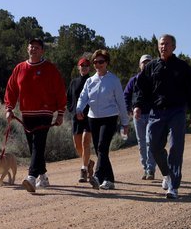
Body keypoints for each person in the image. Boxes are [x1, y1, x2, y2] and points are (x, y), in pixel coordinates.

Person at [134, 34, 191, 199]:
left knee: (176, 147)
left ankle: (173, 187)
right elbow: (140, 88)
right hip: (156, 112)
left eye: (167, 44)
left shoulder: (182, 67)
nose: (164, 47)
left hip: (177, 111)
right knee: (153, 146)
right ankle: (167, 173)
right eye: (161, 44)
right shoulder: (151, 67)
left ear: (174, 47)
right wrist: (137, 105)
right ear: (158, 47)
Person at [5, 38, 67, 193]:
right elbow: (11, 89)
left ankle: (31, 177)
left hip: (45, 113)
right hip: (27, 113)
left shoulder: (49, 68)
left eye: (37, 47)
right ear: (27, 49)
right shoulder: (20, 68)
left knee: (38, 144)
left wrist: (60, 113)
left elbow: (60, 90)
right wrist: (9, 108)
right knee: (34, 148)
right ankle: (43, 176)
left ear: (42, 51)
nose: (34, 49)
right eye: (31, 47)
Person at [76, 49, 129, 190]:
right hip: (93, 118)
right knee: (101, 151)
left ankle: (98, 177)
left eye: (101, 62)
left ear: (107, 63)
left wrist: (125, 122)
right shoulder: (90, 81)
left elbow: (121, 103)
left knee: (102, 147)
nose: (98, 64)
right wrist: (79, 108)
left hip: (110, 118)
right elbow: (83, 97)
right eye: (95, 62)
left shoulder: (114, 80)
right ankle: (109, 180)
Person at [124, 54, 156, 180]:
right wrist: (128, 109)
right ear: (140, 65)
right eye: (144, 62)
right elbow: (126, 95)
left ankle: (150, 169)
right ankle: (145, 168)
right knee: (141, 143)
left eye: (148, 62)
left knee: (150, 141)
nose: (146, 64)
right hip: (138, 116)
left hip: (153, 115)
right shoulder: (134, 80)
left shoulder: (155, 79)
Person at [66, 57, 95, 184]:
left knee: (85, 142)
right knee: (77, 145)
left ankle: (83, 170)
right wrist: (73, 111)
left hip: (89, 117)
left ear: (89, 68)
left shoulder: (92, 81)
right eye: (82, 66)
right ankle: (89, 163)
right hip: (76, 117)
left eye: (86, 66)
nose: (84, 68)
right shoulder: (73, 82)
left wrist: (85, 112)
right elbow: (69, 99)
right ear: (78, 67)